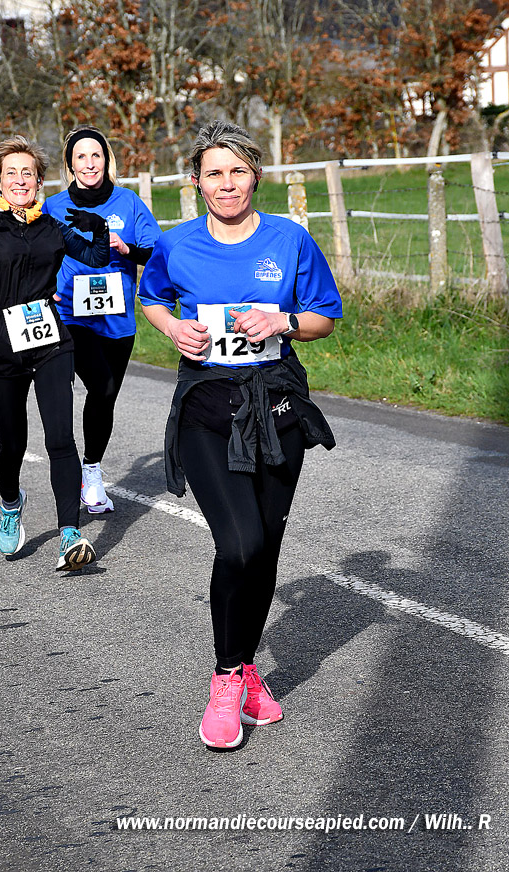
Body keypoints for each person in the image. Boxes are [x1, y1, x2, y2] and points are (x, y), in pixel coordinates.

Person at [138, 119, 343, 749]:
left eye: (237, 171)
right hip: (206, 407)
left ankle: (249, 669)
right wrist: (174, 329)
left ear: (255, 176)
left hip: (277, 406)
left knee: (266, 549)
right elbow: (152, 297)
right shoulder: (176, 244)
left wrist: (284, 321)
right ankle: (226, 681)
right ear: (196, 182)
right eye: (213, 173)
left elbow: (325, 317)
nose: (226, 184)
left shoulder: (290, 239)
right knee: (239, 544)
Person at [0, 135, 113, 571]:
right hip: (0, 345)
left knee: (60, 438)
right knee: (11, 442)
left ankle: (70, 534)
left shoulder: (51, 227)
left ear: (39, 182)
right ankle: (10, 503)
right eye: (11, 173)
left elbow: (95, 257)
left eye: (29, 173)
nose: (20, 180)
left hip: (50, 341)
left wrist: (98, 228)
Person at [43, 127, 161, 514]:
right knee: (102, 383)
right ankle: (74, 472)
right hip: (70, 315)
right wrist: (43, 290)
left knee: (105, 396)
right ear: (70, 164)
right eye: (81, 156)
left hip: (117, 318)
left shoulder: (128, 203)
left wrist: (127, 248)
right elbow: (35, 256)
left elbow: (157, 254)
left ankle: (90, 470)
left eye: (96, 155)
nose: (90, 163)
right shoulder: (53, 207)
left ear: (106, 160)